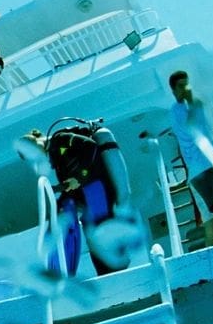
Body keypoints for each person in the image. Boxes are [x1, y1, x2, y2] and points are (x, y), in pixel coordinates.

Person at [27, 118, 136, 276]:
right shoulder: (55, 153)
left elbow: (90, 148)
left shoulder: (60, 139)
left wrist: (79, 177)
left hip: (95, 190)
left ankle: (116, 270)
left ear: (37, 139)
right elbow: (73, 180)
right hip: (89, 194)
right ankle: (105, 273)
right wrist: (60, 188)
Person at [168, 71, 213, 247]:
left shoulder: (190, 109)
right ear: (173, 90)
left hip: (198, 173)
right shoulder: (177, 111)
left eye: (187, 84)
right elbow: (190, 129)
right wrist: (193, 102)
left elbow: (200, 141)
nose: (186, 89)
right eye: (181, 86)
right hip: (205, 171)